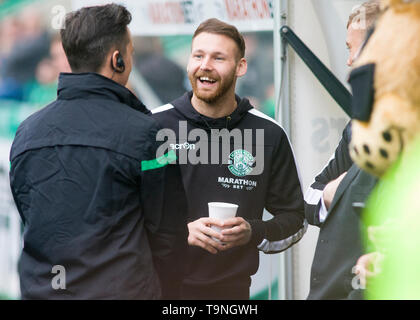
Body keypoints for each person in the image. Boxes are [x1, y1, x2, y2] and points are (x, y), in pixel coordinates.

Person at [9, 4, 187, 299]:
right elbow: (169, 236)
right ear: (117, 59)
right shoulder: (148, 134)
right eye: (129, 52)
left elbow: (30, 217)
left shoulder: (27, 132)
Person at [151, 18, 306, 300]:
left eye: (218, 57)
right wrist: (177, 234)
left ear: (241, 67)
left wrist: (253, 232)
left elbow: (296, 219)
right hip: (160, 289)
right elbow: (123, 214)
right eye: (198, 55)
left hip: (234, 295)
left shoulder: (267, 134)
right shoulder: (154, 128)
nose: (205, 65)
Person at [304, 0, 381, 300]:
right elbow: (308, 199)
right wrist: (341, 186)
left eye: (353, 47)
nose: (349, 61)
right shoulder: (358, 127)